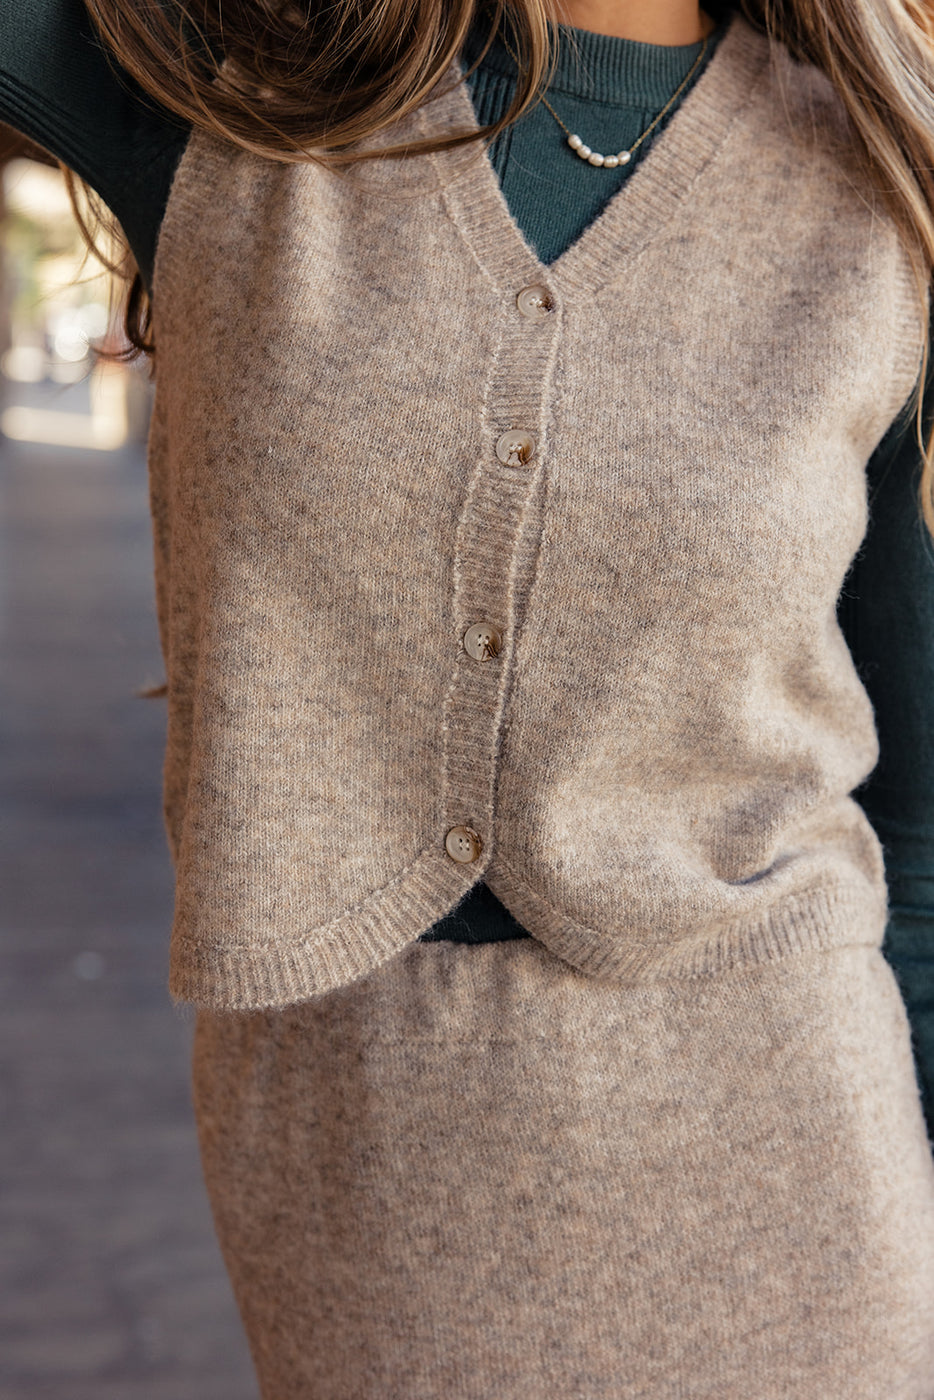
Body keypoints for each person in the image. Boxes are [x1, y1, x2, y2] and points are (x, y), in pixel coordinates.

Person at [2, 0, 934, 1393]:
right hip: (361, 1151)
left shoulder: (876, 177)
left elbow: (915, 829)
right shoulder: (231, 93)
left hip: (795, 1139)